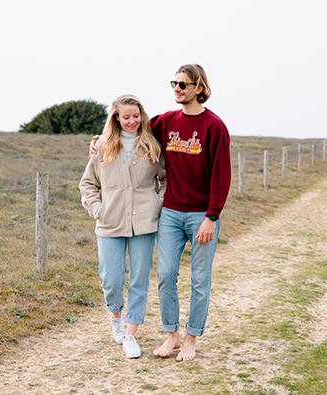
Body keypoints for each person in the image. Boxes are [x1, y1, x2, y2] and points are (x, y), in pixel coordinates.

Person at [90, 64, 231, 362]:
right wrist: (99, 141)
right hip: (169, 214)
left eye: (182, 84)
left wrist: (212, 216)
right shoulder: (166, 122)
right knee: (166, 275)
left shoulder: (214, 127)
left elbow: (222, 176)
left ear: (199, 88)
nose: (176, 89)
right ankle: (172, 336)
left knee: (200, 279)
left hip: (201, 216)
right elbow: (128, 127)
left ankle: (191, 338)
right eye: (174, 84)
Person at [79, 94, 166, 359]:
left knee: (140, 280)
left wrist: (157, 203)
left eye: (136, 116)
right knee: (112, 279)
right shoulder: (103, 146)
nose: (132, 121)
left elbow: (166, 179)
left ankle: (131, 334)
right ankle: (115, 317)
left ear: (142, 115)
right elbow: (87, 184)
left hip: (144, 223)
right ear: (116, 118)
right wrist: (98, 209)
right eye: (126, 117)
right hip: (109, 223)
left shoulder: (152, 145)